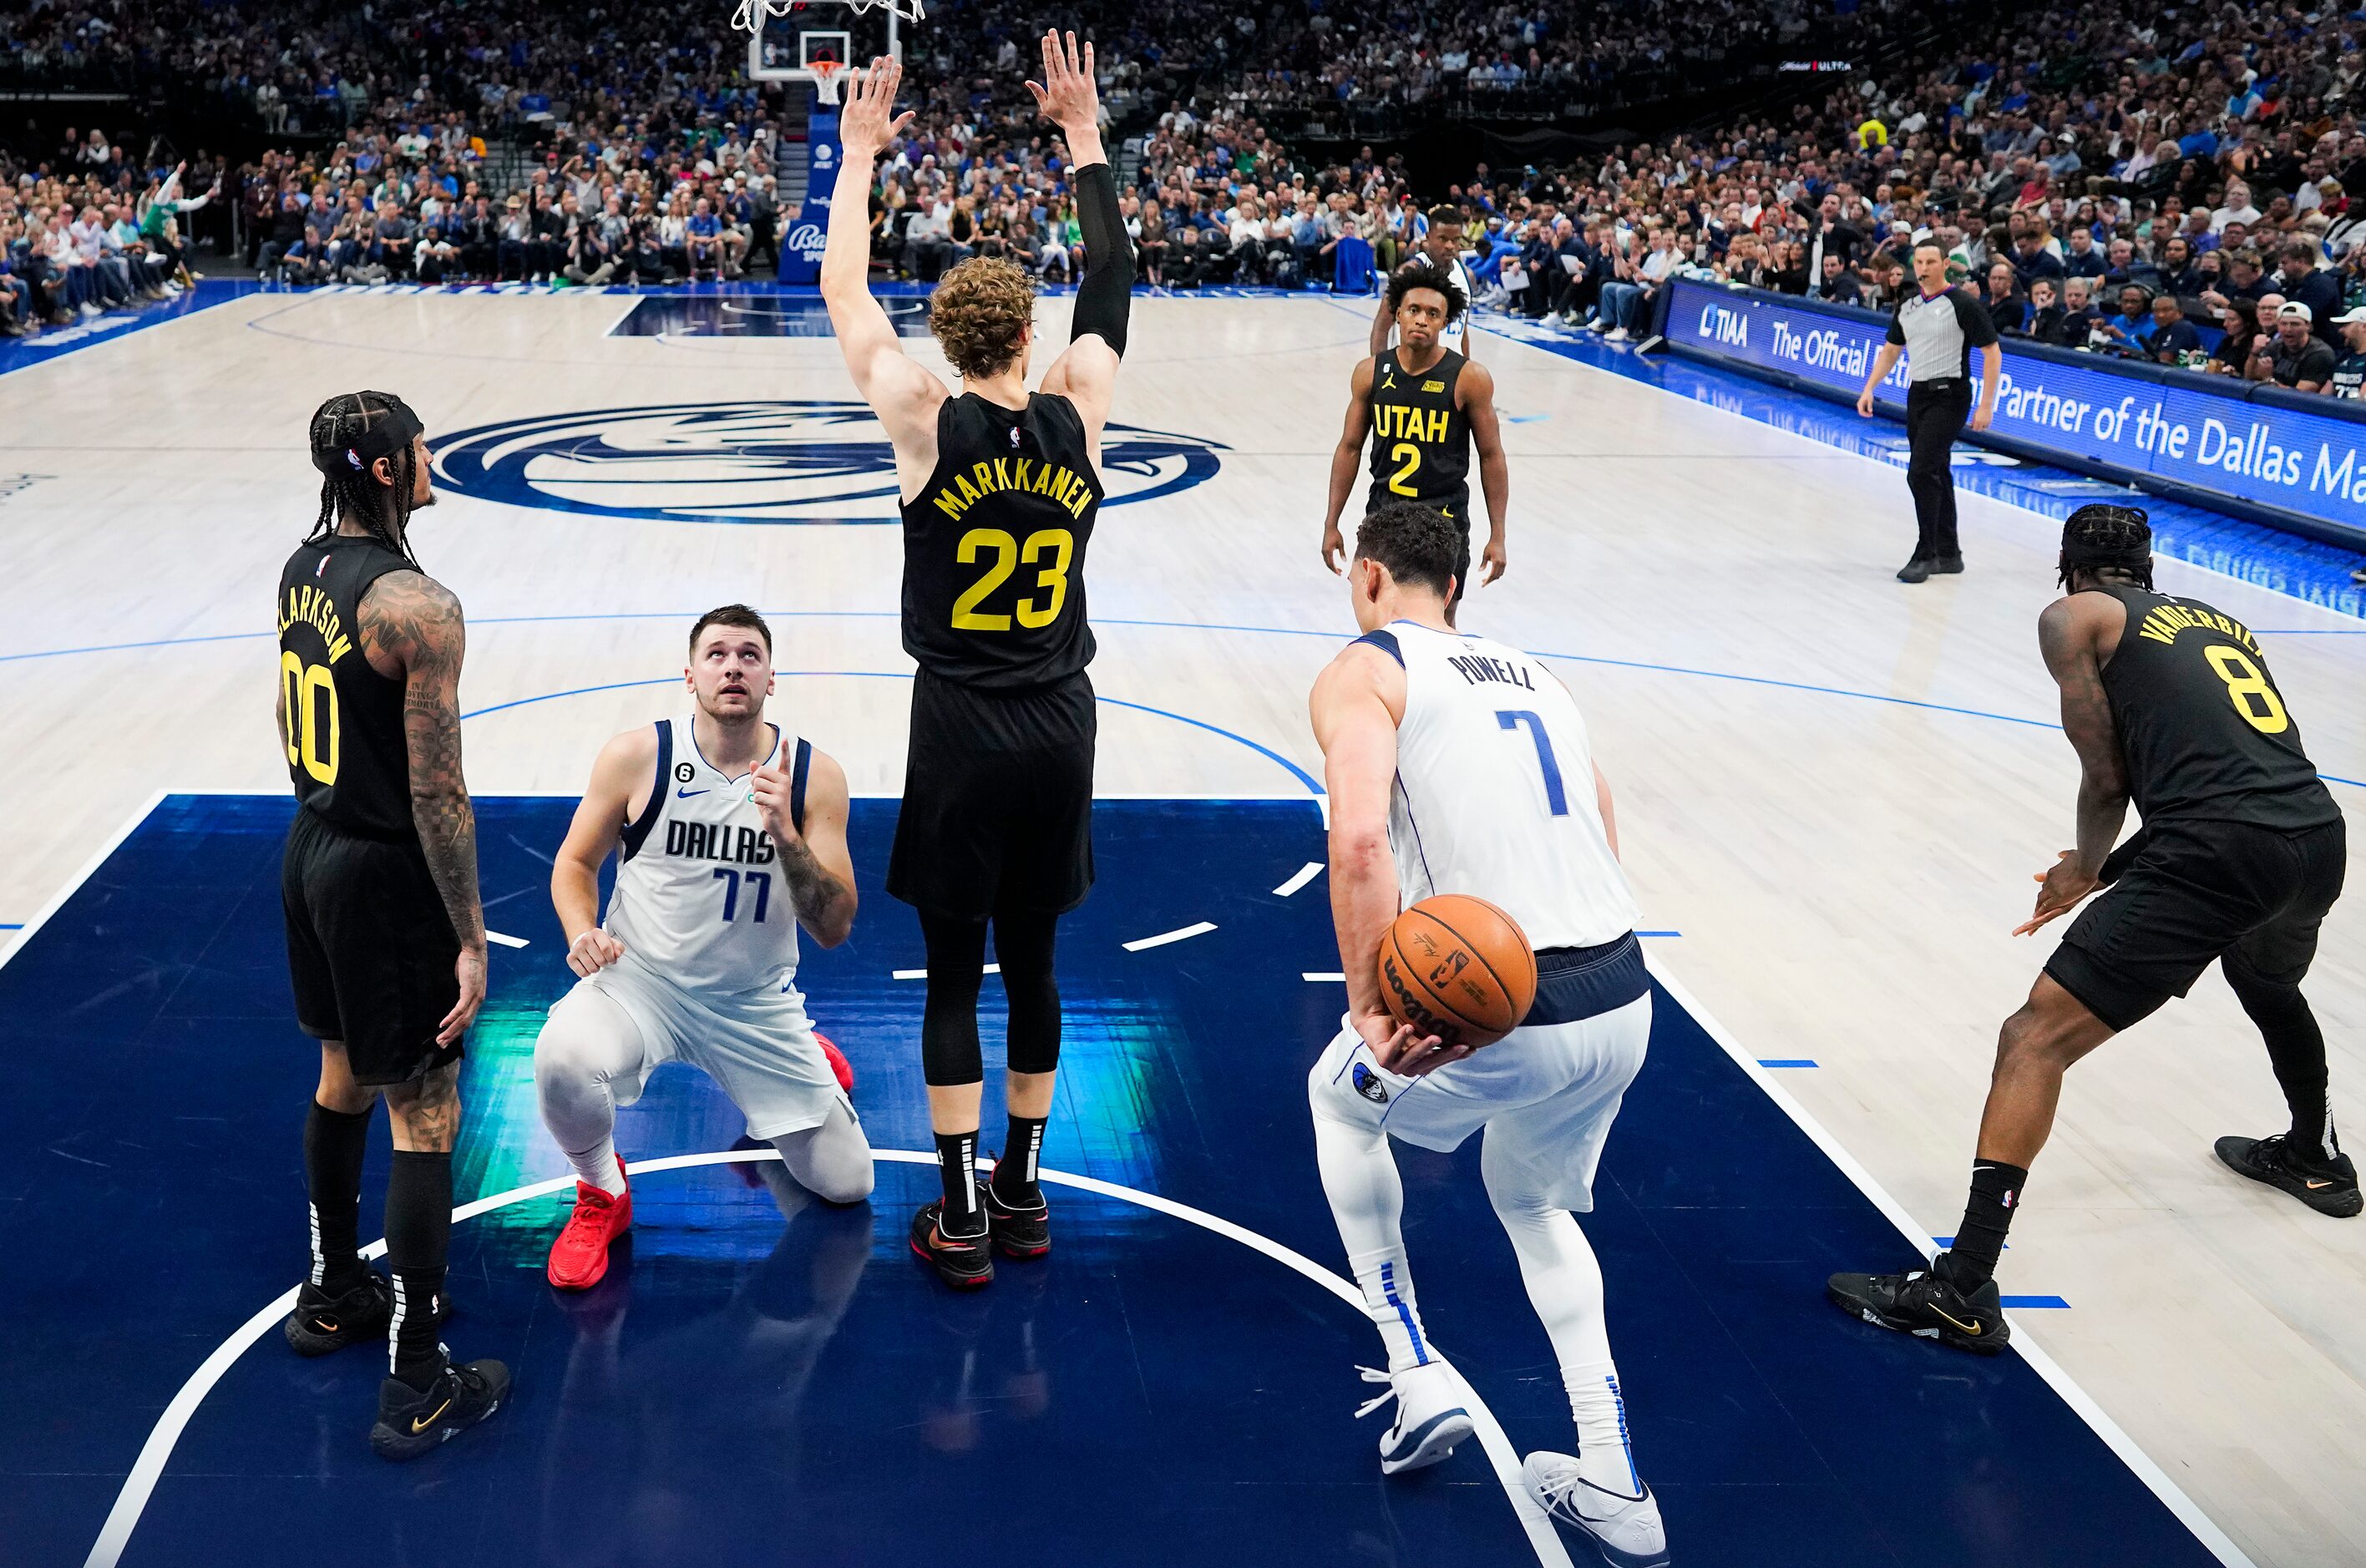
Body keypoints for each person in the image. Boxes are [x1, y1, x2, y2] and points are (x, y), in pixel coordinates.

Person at [1831, 506, 2354, 1358]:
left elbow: (2107, 777)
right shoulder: (2218, 620)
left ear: (2065, 568)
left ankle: (1960, 1291)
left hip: (2216, 852)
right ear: (2147, 566)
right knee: (2266, 982)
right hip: (2312, 839)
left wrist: (2085, 864)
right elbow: (2226, 776)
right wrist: (2099, 874)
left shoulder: (2074, 615)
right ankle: (2314, 1155)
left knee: (2031, 1039)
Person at [821, 38, 1128, 1289]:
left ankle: (956, 1213)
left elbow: (845, 295)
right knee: (1038, 961)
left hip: (957, 723)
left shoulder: (922, 419)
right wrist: (1083, 139)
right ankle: (1025, 1186)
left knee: (956, 964)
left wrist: (857, 159)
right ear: (1031, 337)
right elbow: (1110, 275)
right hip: (1061, 720)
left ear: (950, 340)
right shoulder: (1082, 403)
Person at [1306, 501, 1666, 1565]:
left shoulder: (1366, 668)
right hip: (1622, 990)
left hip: (1509, 1009)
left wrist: (1376, 1007)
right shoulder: (1534, 670)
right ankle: (1615, 1482)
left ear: (1369, 578)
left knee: (1339, 1097)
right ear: (1457, 586)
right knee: (1535, 1201)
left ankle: (1412, 1367)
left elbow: (1360, 839)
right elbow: (1601, 817)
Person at [276, 391, 507, 1460]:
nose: (430, 457)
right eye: (418, 446)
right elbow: (439, 795)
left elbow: (286, 713)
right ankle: (416, 1379)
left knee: (340, 1074)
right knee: (425, 1109)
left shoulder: (303, 569)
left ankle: (332, 1293)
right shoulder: (417, 605)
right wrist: (469, 933)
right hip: (381, 872)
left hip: (311, 849)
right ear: (382, 467)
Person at [531, 605, 869, 1291]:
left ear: (771, 678)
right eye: (717, 654)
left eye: (749, 655)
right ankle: (602, 1193)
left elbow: (833, 927)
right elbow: (573, 864)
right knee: (562, 1058)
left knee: (847, 1186)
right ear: (690, 676)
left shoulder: (811, 776)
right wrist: (581, 932)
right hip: (640, 985)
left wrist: (785, 834)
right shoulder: (637, 756)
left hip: (751, 1005)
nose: (733, 667)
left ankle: (807, 1059)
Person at [1321, 265, 1508, 625]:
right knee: (1376, 618)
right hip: (1384, 513)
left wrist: (1497, 535)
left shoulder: (1469, 377)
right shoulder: (1370, 372)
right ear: (1398, 316)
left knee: (1440, 621)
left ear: (1445, 323)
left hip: (1444, 516)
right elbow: (1349, 448)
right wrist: (1332, 522)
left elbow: (1491, 455)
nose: (1422, 320)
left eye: (1433, 314)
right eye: (1414, 310)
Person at [1856, 241, 2001, 583]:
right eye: (1919, 261)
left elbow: (1991, 352)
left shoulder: (1962, 303)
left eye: (1931, 261)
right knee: (1937, 471)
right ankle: (1950, 554)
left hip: (1951, 395)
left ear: (1945, 264)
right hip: (1917, 394)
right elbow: (1892, 351)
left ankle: (1926, 552)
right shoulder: (1907, 305)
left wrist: (1986, 404)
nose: (1924, 267)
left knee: (1920, 472)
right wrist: (1869, 387)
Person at [1374, 205, 1478, 360]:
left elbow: (1462, 331)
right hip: (1410, 373)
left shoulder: (1466, 275)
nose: (1450, 246)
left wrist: (1466, 365)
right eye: (1443, 238)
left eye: (1455, 240)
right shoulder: (1408, 272)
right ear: (1428, 237)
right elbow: (1381, 328)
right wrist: (1379, 372)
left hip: (1450, 373)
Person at [2251, 302, 2338, 391]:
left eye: (2295, 324)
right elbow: (2249, 378)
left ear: (2308, 326)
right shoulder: (2275, 346)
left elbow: (2300, 395)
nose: (2288, 329)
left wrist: (2268, 379)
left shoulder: (2320, 354)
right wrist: (2254, 352)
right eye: (2283, 324)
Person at [2329, 305, 2366, 397]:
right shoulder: (2343, 356)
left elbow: (2361, 401)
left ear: (2364, 327)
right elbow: (2323, 396)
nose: (2341, 330)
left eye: (2346, 325)